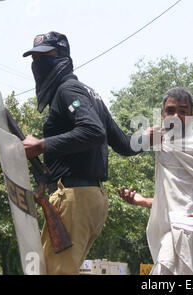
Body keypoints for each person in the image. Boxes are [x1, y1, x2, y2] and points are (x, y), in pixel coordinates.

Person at [21, 31, 145, 274]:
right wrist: (151, 138)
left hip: (75, 198)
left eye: (46, 55)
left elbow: (93, 132)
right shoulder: (91, 95)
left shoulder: (69, 90)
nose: (39, 63)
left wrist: (41, 145)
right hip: (92, 198)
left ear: (63, 57)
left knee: (57, 272)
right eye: (34, 58)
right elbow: (125, 145)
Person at [117, 87, 193, 275]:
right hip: (168, 229)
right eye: (170, 111)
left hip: (190, 234)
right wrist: (141, 201)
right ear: (162, 114)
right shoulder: (160, 140)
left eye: (182, 112)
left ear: (192, 115)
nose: (175, 116)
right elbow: (175, 196)